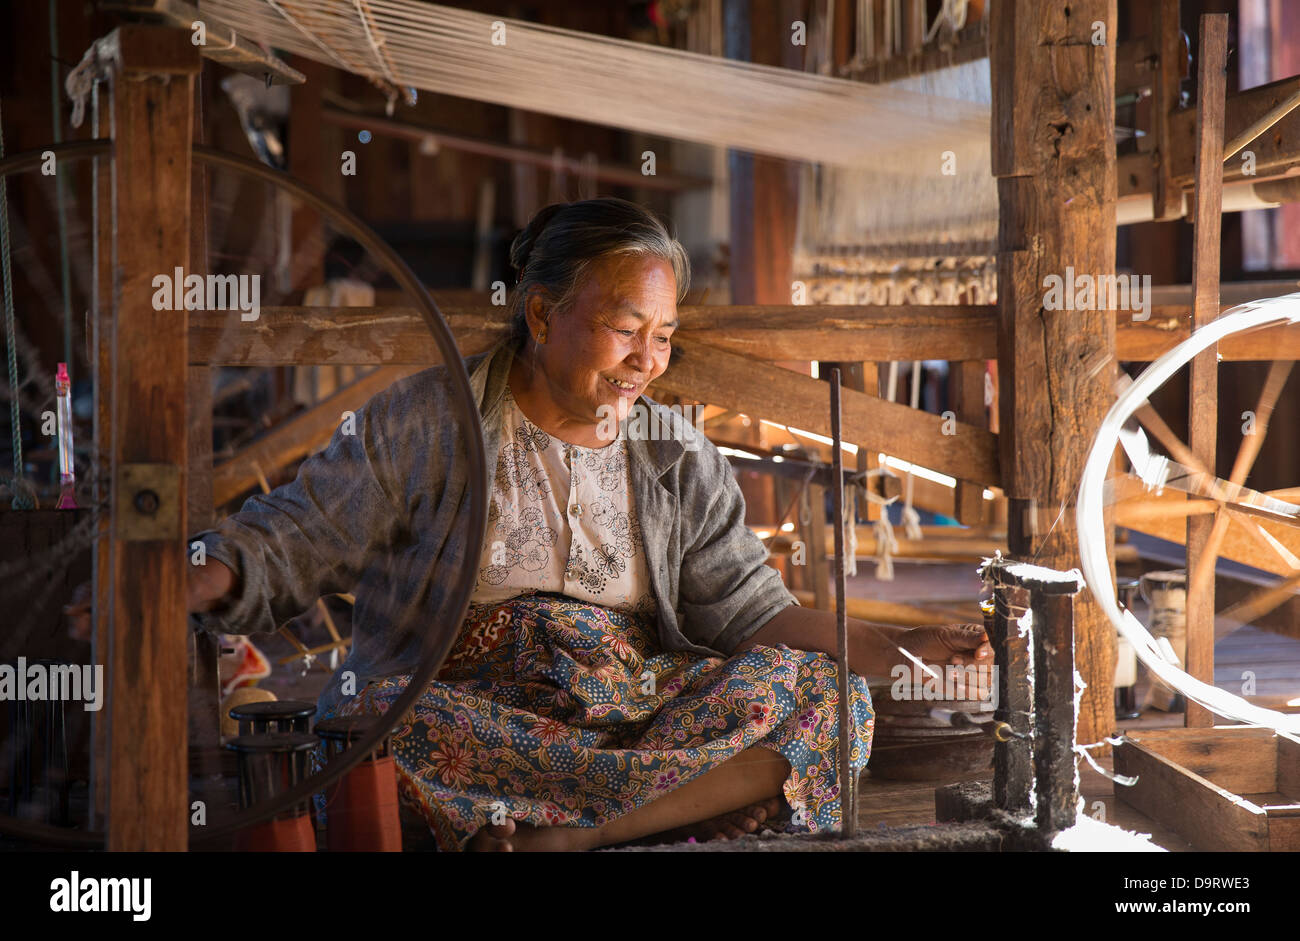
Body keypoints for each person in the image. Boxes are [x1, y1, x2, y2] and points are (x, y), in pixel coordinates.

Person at [184, 197, 992, 851]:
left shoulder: (675, 456)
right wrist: (199, 576)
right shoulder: (438, 420)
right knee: (394, 729)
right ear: (541, 314)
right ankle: (682, 802)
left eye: (665, 335)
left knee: (831, 696)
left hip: (634, 707)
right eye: (626, 327)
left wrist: (908, 650)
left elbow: (756, 614)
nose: (648, 359)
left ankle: (576, 834)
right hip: (478, 708)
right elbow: (303, 528)